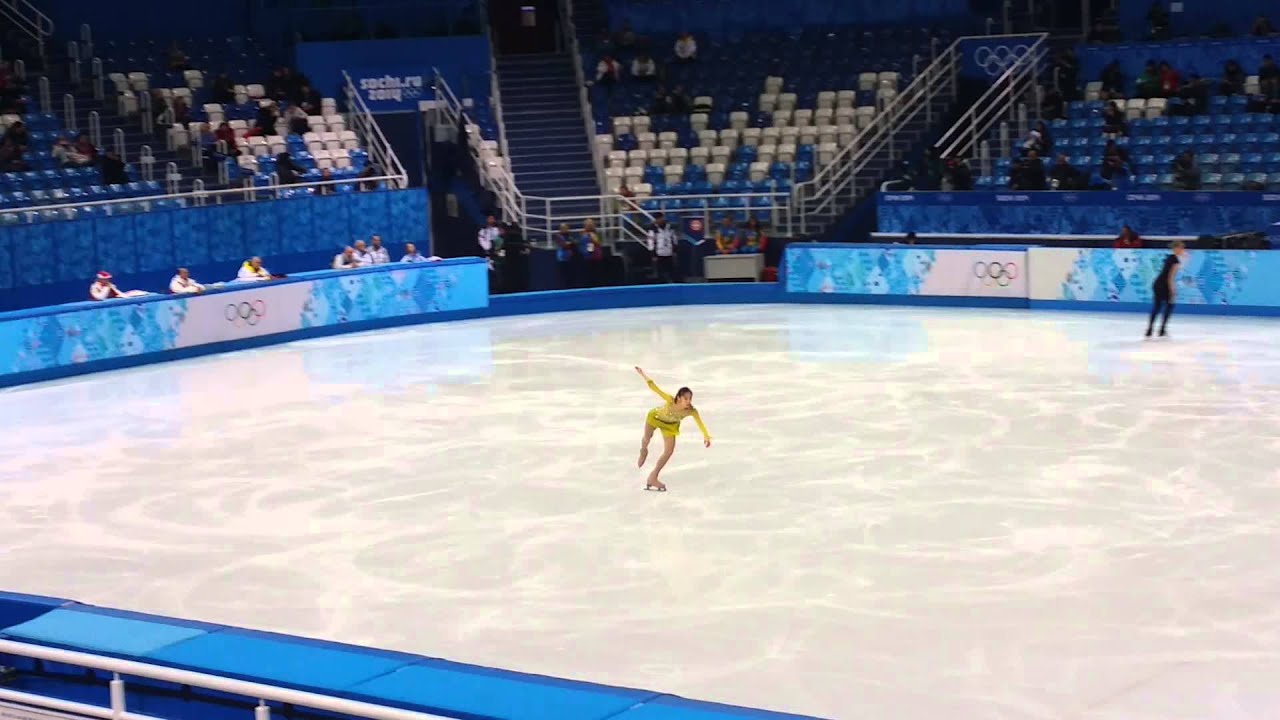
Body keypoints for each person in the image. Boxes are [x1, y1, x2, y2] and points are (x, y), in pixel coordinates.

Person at [633, 366, 711, 492]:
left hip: (670, 426)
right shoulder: (670, 400)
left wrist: (706, 436)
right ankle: (643, 451)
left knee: (669, 451)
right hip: (655, 417)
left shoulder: (692, 411)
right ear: (679, 398)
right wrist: (643, 374)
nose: (689, 401)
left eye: (690, 398)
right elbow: (655, 388)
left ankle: (653, 477)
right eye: (686, 398)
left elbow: (700, 422)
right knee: (647, 438)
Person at [1146, 241, 1186, 339]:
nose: (1182, 250)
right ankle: (1162, 330)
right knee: (1169, 306)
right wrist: (1173, 290)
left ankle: (1150, 330)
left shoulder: (1169, 257)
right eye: (1181, 248)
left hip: (1157, 283)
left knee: (1157, 306)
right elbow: (1170, 277)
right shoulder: (1176, 261)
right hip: (1164, 285)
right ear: (1176, 248)